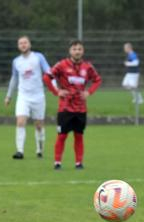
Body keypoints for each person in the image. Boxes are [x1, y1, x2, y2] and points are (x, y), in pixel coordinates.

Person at [43, 40, 102, 170]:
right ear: (70, 51)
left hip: (81, 108)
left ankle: (78, 163)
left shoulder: (87, 67)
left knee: (79, 135)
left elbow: (97, 80)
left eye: (79, 49)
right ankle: (57, 162)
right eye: (74, 49)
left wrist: (89, 92)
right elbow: (47, 77)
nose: (77, 51)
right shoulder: (62, 65)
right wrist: (56, 91)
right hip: (65, 107)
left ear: (83, 51)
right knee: (62, 135)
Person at [4, 36, 50, 159]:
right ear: (18, 46)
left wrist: (54, 87)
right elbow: (14, 79)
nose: (23, 45)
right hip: (23, 96)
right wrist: (9, 96)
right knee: (20, 122)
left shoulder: (38, 57)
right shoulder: (16, 61)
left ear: (29, 44)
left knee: (39, 125)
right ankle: (20, 151)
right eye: (20, 43)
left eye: (25, 42)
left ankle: (39, 149)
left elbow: (49, 72)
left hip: (38, 96)